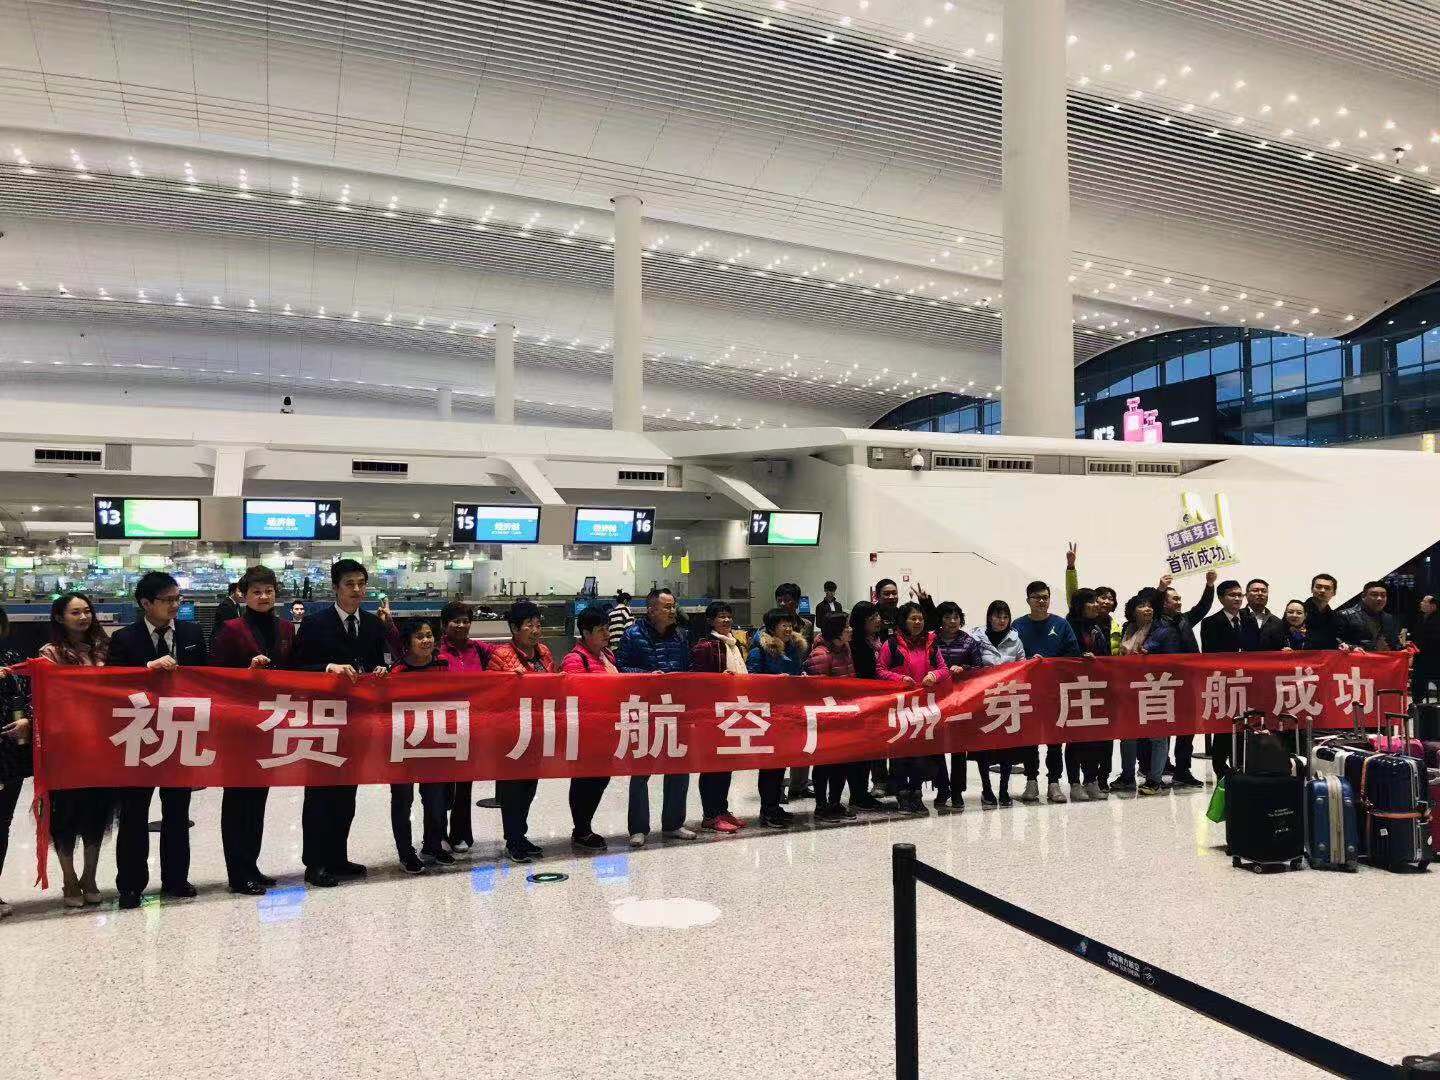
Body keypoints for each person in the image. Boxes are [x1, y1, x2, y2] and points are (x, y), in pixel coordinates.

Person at [108, 571, 209, 909]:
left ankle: (177, 879)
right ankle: (131, 885)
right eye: (168, 600)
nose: (175, 606)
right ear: (145, 603)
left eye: (178, 599)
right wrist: (147, 667)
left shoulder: (193, 633)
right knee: (134, 813)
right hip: (139, 735)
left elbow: (206, 679)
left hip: (180, 733)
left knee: (177, 811)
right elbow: (111, 685)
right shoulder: (124, 638)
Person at [291, 558, 392, 888]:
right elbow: (295, 670)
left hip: (358, 720)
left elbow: (380, 663)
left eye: (361, 583)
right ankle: (315, 862)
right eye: (349, 584)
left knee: (347, 793)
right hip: (323, 720)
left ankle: (337, 856)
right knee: (320, 794)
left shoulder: (373, 625)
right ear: (335, 587)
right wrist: (327, 668)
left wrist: (380, 671)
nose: (357, 590)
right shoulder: (315, 624)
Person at [210, 565, 295, 895]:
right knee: (237, 801)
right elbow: (215, 674)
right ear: (243, 595)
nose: (264, 596)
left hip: (272, 724)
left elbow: (296, 670)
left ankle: (252, 866)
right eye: (257, 591)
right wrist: (246, 672)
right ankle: (237, 872)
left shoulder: (286, 628)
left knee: (258, 799)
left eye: (269, 590)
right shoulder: (231, 628)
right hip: (239, 726)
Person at [37, 593, 113, 908]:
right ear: (59, 618)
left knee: (97, 812)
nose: (83, 618)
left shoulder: (106, 649)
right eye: (75, 612)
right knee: (65, 814)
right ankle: (69, 879)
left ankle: (90, 876)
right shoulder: (49, 654)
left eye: (87, 611)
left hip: (103, 744)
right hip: (66, 746)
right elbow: (45, 695)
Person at [616, 588, 695, 847]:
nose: (673, 611)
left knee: (679, 768)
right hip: (645, 710)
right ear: (651, 609)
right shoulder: (632, 635)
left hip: (676, 709)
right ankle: (638, 828)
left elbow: (689, 669)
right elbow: (621, 668)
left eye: (674, 606)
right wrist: (649, 675)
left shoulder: (682, 636)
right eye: (667, 607)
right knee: (641, 770)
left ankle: (673, 823)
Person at [487, 600, 557, 863]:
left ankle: (521, 834)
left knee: (529, 787)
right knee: (512, 789)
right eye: (529, 625)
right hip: (511, 735)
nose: (535, 630)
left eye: (538, 625)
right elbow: (490, 694)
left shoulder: (545, 653)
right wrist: (507, 682)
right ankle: (513, 839)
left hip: (538, 730)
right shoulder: (501, 655)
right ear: (515, 628)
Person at [389, 619, 453, 873]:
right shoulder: (397, 672)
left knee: (436, 798)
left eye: (429, 635)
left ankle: (434, 845)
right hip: (404, 745)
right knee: (403, 800)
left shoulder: (442, 666)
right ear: (407, 643)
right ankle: (406, 852)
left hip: (435, 743)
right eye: (419, 636)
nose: (426, 640)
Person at [877, 601, 950, 814]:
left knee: (920, 754)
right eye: (913, 618)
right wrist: (899, 679)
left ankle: (916, 793)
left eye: (920, 618)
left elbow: (944, 669)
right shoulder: (890, 644)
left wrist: (934, 675)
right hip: (899, 707)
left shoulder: (931, 643)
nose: (918, 622)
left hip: (924, 708)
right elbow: (880, 670)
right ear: (903, 621)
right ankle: (901, 794)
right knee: (900, 754)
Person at [1014, 580, 1080, 804]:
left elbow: (1073, 655)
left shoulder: (1061, 625)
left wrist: (1049, 664)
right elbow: (1011, 659)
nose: (1042, 601)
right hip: (1027, 692)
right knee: (1029, 739)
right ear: (1028, 600)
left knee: (1055, 739)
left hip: (1055, 691)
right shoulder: (1017, 626)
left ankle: (1054, 783)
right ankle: (1031, 781)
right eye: (1036, 597)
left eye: (1045, 597)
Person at [436, 600, 493, 852]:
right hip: (440, 725)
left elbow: (505, 659)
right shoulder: (434, 649)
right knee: (438, 785)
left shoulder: (479, 649)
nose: (461, 625)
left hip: (470, 724)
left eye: (465, 621)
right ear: (443, 624)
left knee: (464, 784)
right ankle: (436, 833)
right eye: (455, 621)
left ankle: (459, 833)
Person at [561, 605, 618, 852]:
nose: (607, 634)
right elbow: (577, 694)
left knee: (600, 779)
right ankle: (581, 828)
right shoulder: (575, 659)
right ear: (585, 633)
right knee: (586, 780)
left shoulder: (608, 656)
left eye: (608, 629)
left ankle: (585, 826)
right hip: (586, 732)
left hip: (606, 729)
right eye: (600, 630)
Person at [689, 601, 749, 833]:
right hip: (712, 713)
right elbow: (697, 678)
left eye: (728, 616)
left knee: (727, 763)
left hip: (734, 711)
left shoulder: (735, 644)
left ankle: (722, 809)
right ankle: (710, 814)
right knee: (712, 765)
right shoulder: (705, 646)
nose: (726, 620)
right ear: (711, 621)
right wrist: (717, 678)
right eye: (721, 617)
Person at [745, 608, 805, 828]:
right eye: (783, 625)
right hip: (769, 714)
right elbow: (751, 681)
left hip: (789, 713)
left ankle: (775, 806)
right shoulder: (759, 651)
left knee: (782, 763)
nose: (788, 629)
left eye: (790, 624)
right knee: (770, 764)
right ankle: (767, 809)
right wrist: (773, 680)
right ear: (772, 628)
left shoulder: (795, 648)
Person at [1156, 570, 1216, 788]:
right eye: (1175, 599)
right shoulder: (1154, 622)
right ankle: (1158, 768)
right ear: (1163, 604)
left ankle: (1183, 770)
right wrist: (1160, 589)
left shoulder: (1184, 620)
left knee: (1186, 728)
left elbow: (1203, 607)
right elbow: (1153, 602)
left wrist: (1209, 585)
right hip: (1162, 684)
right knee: (1162, 729)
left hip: (1188, 684)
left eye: (1180, 599)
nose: (1179, 602)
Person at [1116, 589, 1178, 796]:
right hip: (1129, 688)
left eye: (1150, 606)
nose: (1147, 609)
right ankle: (1126, 776)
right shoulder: (1127, 628)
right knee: (1128, 735)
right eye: (1142, 606)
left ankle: (1154, 779)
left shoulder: (1163, 629)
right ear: (1132, 611)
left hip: (1156, 686)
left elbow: (1172, 657)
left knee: (1158, 735)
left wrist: (1149, 654)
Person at [967, 600, 1027, 807]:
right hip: (983, 700)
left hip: (1008, 699)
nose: (1001, 621)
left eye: (1005, 617)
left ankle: (1003, 790)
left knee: (1006, 749)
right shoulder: (976, 639)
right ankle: (986, 789)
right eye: (997, 616)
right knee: (983, 748)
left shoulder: (1015, 640)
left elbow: (1022, 667)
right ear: (989, 617)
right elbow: (973, 665)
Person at [804, 612, 859, 821]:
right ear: (837, 631)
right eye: (847, 626)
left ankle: (835, 802)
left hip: (844, 715)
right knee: (824, 763)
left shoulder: (845, 649)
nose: (851, 629)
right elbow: (816, 689)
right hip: (826, 717)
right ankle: (821, 805)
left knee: (841, 762)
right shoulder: (821, 654)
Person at [1200, 579, 1256, 779]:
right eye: (1233, 595)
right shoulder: (1210, 623)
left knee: (1243, 723)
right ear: (1221, 598)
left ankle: (1239, 763)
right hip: (1223, 682)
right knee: (1223, 725)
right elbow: (1209, 653)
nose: (1238, 599)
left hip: (1245, 681)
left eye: (1240, 595)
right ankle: (1219, 765)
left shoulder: (1249, 620)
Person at [1064, 588, 1112, 802]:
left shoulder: (1099, 626)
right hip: (1074, 690)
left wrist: (1098, 659)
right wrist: (1080, 658)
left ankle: (1091, 780)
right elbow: (1063, 655)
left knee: (1095, 738)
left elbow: (1108, 656)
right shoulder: (1068, 626)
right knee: (1075, 739)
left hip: (1096, 689)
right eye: (1091, 601)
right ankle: (1074, 783)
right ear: (1080, 605)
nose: (1097, 605)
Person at [932, 601, 981, 811]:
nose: (952, 622)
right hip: (936, 701)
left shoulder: (969, 642)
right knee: (937, 747)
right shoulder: (931, 641)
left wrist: (965, 668)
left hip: (962, 700)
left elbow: (980, 668)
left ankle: (957, 791)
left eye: (956, 617)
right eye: (947, 617)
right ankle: (942, 787)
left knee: (959, 748)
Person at [0, 608, 33, 919]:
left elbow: (24, 698)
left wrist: (25, 723)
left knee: (1, 822)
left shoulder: (10, 657)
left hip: (7, 751)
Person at [848, 601, 893, 811]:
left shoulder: (882, 640)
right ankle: (857, 794)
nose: (878, 620)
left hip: (880, 703)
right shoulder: (854, 644)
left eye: (877, 616)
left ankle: (863, 792)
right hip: (861, 703)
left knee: (873, 750)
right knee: (858, 752)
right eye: (872, 617)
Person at [772, 582, 815, 800]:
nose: (783, 603)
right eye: (780, 599)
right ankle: (776, 788)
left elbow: (809, 652)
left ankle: (799, 784)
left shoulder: (806, 625)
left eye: (788, 600)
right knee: (779, 741)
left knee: (803, 736)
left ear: (797, 603)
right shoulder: (770, 625)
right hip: (779, 689)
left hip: (801, 684)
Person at [1338, 580, 1402, 652]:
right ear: (1363, 596)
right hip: (1357, 659)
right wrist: (1352, 647)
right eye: (1374, 595)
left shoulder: (1388, 618)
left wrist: (1402, 649)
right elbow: (1336, 640)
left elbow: (1394, 642)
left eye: (1383, 595)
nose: (1379, 598)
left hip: (1383, 660)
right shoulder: (1346, 615)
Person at [1408, 594, 1440, 700]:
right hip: (1421, 658)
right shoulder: (1421, 618)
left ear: (1433, 606)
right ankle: (1417, 705)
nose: (1421, 603)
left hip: (1434, 660)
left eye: (1425, 602)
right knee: (1417, 680)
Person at [1303, 573, 1342, 650]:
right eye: (1318, 587)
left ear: (1334, 593)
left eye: (1327, 588)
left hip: (1326, 659)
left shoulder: (1335, 617)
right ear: (1311, 589)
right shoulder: (1298, 611)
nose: (1322, 590)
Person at [1242, 579, 1284, 649]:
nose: (1260, 593)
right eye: (1255, 590)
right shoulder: (1236, 618)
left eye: (1264, 591)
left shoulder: (1277, 623)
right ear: (1246, 595)